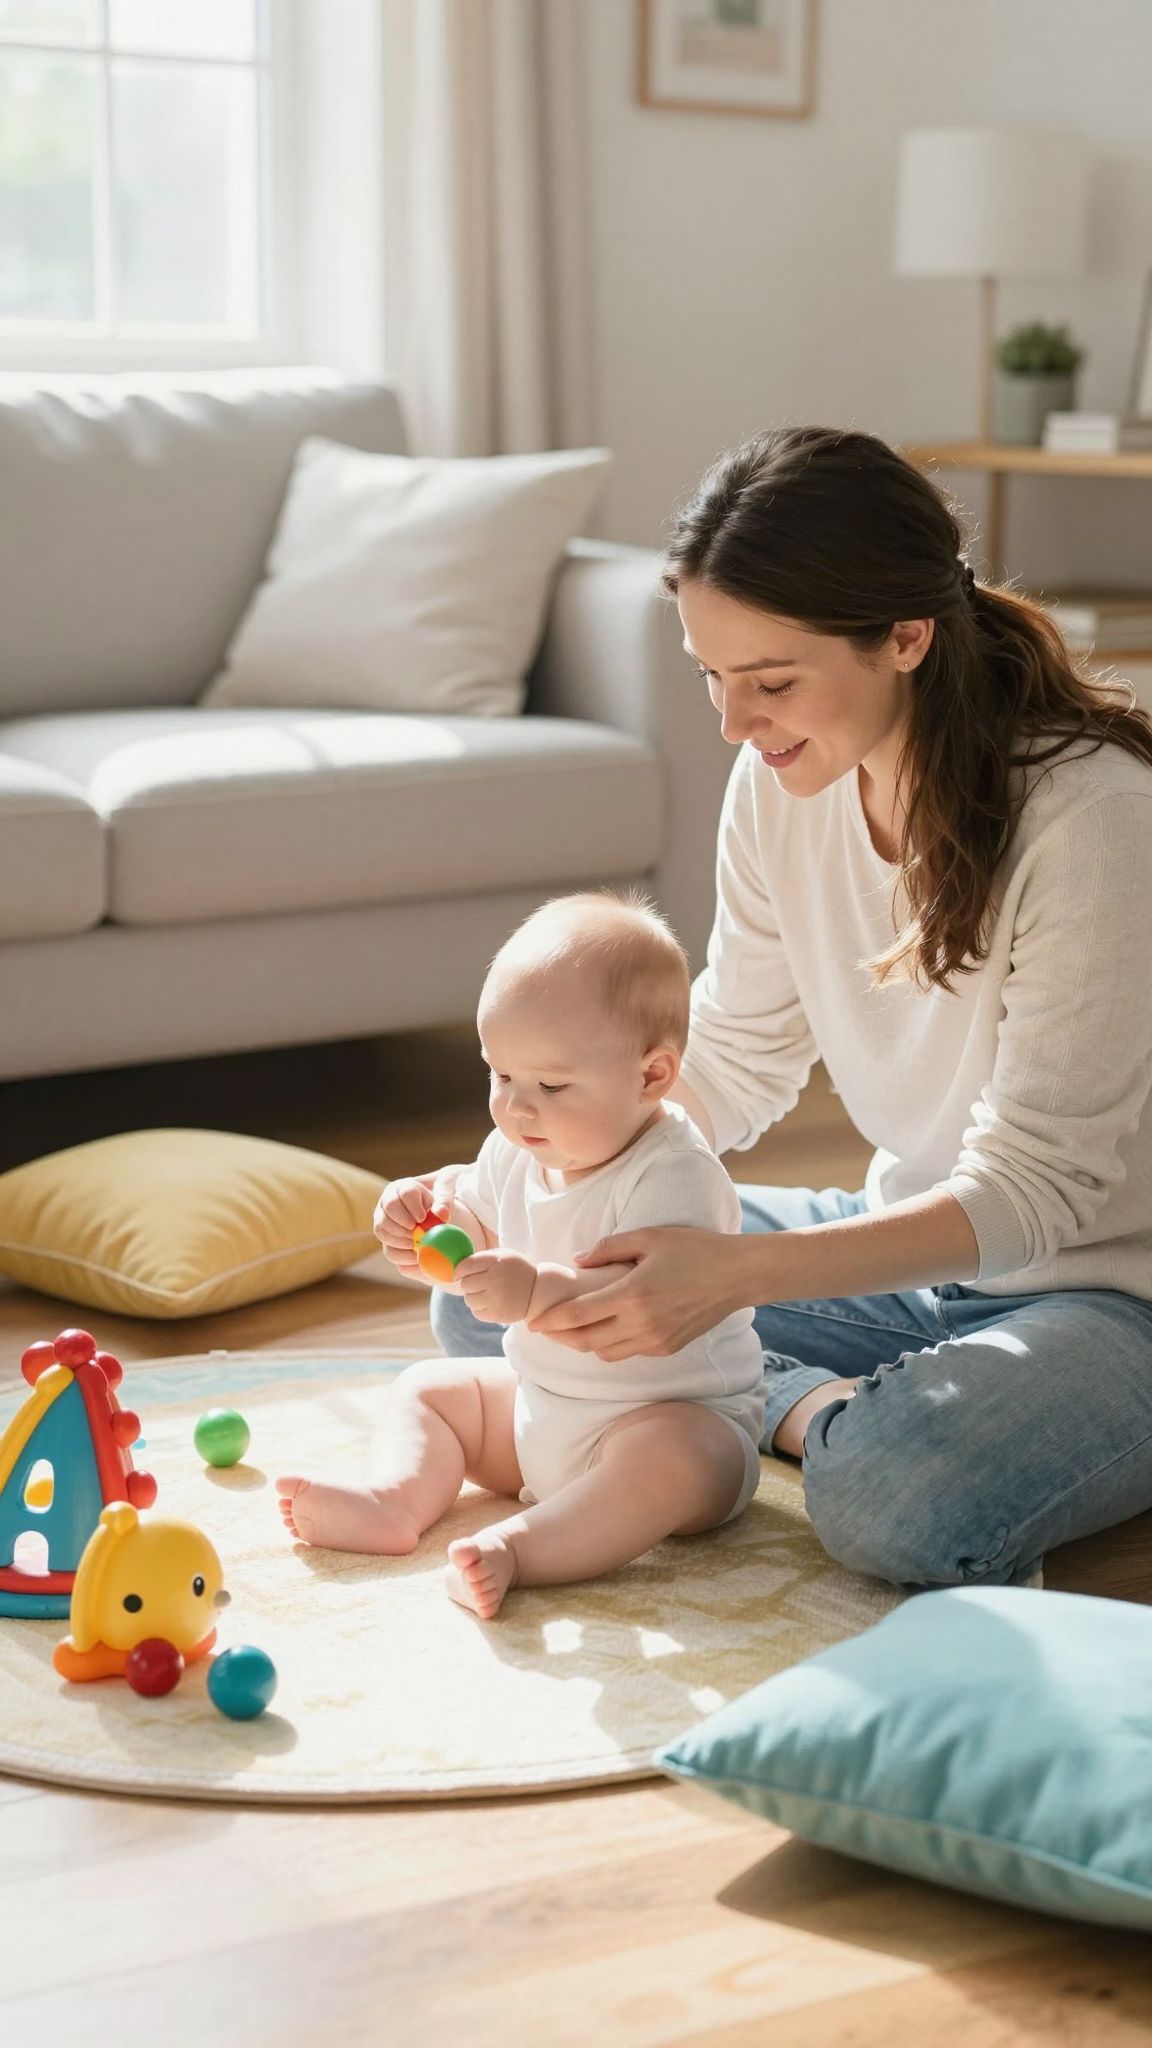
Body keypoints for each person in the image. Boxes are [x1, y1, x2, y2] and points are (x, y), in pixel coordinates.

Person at [428, 424, 1152, 1595]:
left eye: (770, 682)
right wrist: (498, 1182)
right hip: (907, 1259)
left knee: (887, 1491)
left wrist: (732, 1278)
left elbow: (1034, 1193)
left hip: (1109, 1302)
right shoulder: (783, 784)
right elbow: (730, 1060)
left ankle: (804, 1423)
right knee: (490, 1299)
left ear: (906, 636)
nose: (733, 723)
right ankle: (809, 1408)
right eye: (712, 678)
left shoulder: (1093, 821)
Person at [276, 892, 765, 1619]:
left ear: (652, 1076)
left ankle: (524, 1549)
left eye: (551, 1085)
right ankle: (395, 1501)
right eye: (500, 1076)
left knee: (675, 1459)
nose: (516, 1107)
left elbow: (633, 1296)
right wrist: (429, 1223)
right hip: (543, 1409)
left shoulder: (675, 1172)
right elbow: (474, 1218)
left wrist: (534, 1291)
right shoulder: (517, 1146)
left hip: (666, 1421)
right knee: (431, 1388)